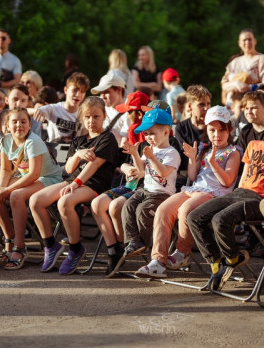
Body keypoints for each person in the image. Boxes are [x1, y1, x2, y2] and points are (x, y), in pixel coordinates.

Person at [187, 107, 264, 291]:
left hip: (262, 201)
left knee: (220, 220)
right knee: (194, 217)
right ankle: (217, 264)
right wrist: (235, 194)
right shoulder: (254, 145)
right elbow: (244, 178)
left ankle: (232, 257)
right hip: (240, 193)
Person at [135, 106, 240, 279]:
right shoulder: (205, 149)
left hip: (215, 194)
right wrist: (192, 159)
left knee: (185, 210)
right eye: (212, 130)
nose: (217, 135)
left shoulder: (233, 153)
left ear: (230, 130)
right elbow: (192, 175)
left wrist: (213, 162)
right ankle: (158, 261)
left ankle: (182, 253)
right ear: (207, 130)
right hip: (195, 189)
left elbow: (227, 181)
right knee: (163, 209)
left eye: (222, 130)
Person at [30, 97, 121, 275]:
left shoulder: (107, 138)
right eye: (87, 117)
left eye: (96, 117)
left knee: (64, 202)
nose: (91, 121)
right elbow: (69, 168)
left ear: (104, 117)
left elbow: (94, 166)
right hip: (73, 181)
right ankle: (50, 245)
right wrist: (78, 154)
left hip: (95, 185)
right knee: (36, 200)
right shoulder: (79, 141)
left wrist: (76, 184)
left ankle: (75, 248)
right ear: (82, 118)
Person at [0, 107, 63, 270]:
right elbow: (6, 170)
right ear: (7, 125)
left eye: (23, 122)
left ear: (30, 125)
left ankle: (20, 248)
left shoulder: (33, 141)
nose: (19, 125)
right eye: (14, 122)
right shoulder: (4, 141)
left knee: (15, 195)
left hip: (49, 179)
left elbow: (34, 174)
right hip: (26, 177)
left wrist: (7, 190)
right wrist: (1, 187)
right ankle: (10, 238)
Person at [110, 107, 181, 274]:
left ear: (166, 132)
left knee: (143, 210)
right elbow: (141, 168)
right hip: (146, 189)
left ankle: (145, 242)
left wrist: (152, 158)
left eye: (152, 133)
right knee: (128, 205)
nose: (148, 137)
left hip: (162, 195)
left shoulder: (172, 153)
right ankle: (134, 241)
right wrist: (135, 153)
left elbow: (163, 172)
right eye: (146, 134)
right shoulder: (150, 150)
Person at [220, 29, 264, 102]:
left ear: (255, 41)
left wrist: (249, 87)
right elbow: (224, 85)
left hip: (254, 103)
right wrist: (236, 84)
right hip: (234, 105)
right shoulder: (234, 63)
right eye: (244, 40)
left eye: (249, 39)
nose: (247, 42)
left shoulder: (262, 58)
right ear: (239, 43)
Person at [32, 72, 89, 143]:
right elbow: (27, 111)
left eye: (82, 91)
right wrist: (39, 110)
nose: (78, 95)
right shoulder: (54, 108)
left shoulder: (84, 113)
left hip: (74, 152)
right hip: (53, 151)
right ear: (66, 90)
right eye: (75, 90)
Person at [174, 85, 211, 151]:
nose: (206, 108)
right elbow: (183, 156)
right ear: (190, 106)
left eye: (208, 104)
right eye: (201, 104)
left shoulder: (214, 124)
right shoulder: (182, 128)